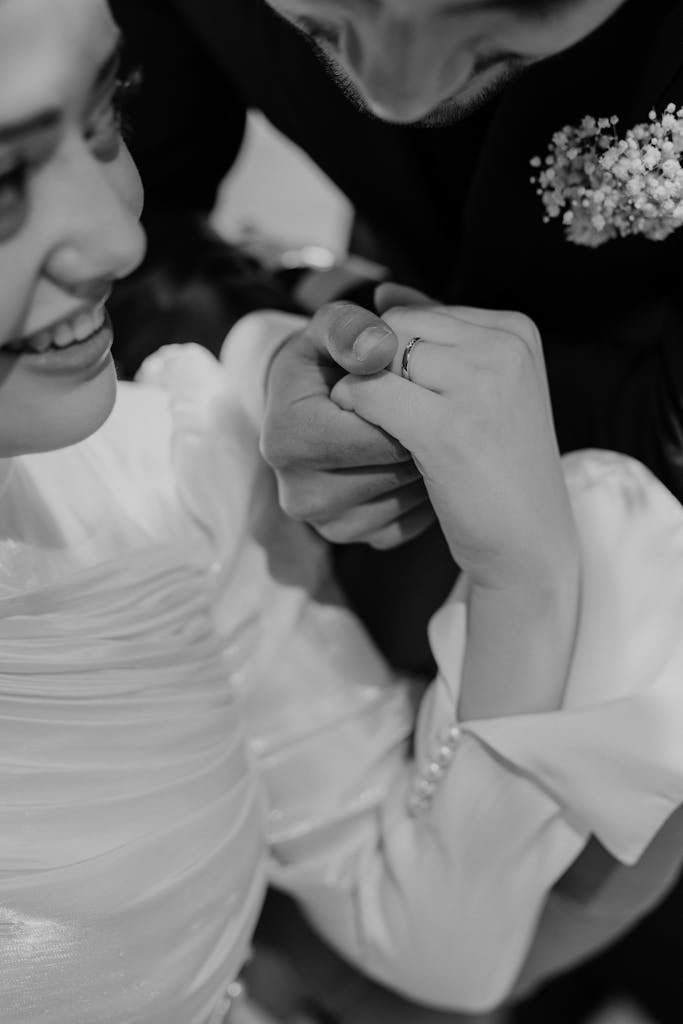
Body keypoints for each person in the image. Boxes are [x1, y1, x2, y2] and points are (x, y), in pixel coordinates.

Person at [3, 1, 683, 1022]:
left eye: (110, 114)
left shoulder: (163, 485)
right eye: (5, 181)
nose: (397, 95)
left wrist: (523, 572)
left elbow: (440, 945)